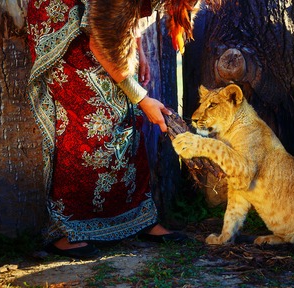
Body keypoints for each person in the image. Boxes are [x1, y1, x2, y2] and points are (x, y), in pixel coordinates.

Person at [26, 0, 221, 259]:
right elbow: (102, 40)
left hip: (97, 20)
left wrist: (136, 51)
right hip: (62, 28)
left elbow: (125, 14)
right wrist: (141, 98)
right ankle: (64, 232)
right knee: (93, 117)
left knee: (127, 115)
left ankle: (138, 218)